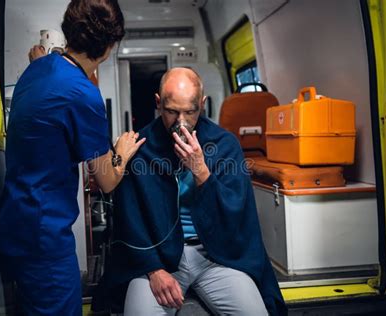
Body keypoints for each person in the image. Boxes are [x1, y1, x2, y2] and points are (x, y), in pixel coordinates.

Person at [94, 67, 286, 315]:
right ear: (158, 104)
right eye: (172, 112)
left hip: (215, 256)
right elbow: (129, 220)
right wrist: (154, 271)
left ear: (202, 104)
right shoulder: (140, 147)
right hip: (158, 259)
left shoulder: (225, 145)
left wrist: (201, 172)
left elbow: (236, 216)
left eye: (190, 112)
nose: (181, 122)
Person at [0, 1, 144, 315]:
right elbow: (106, 180)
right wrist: (122, 153)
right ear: (110, 45)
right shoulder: (82, 95)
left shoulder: (37, 69)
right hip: (45, 241)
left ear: (69, 29)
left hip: (15, 223)